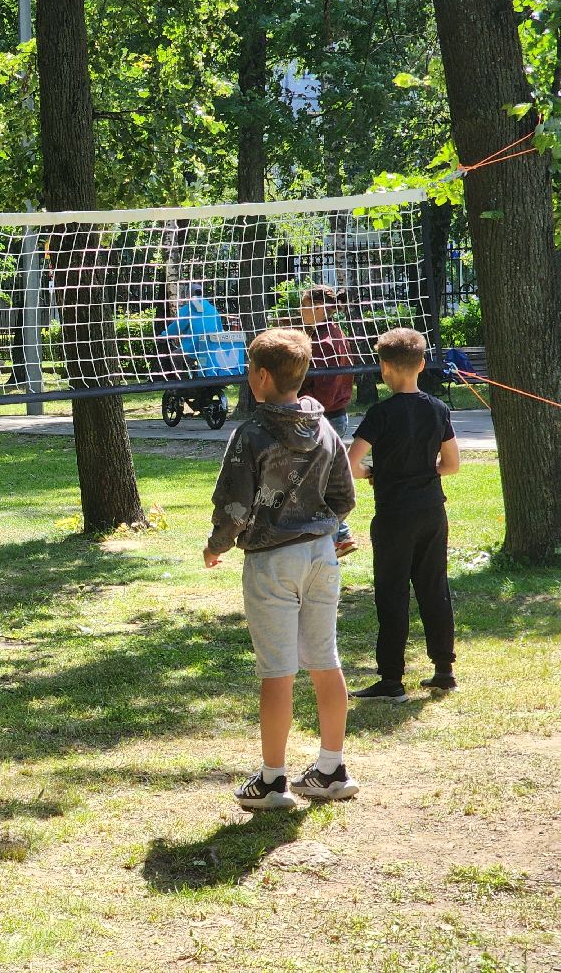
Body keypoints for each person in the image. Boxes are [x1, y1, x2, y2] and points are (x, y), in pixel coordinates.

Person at [204, 328, 358, 808]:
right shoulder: (325, 426)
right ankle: (332, 769)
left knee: (277, 672)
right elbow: (345, 496)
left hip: (272, 562)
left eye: (249, 368)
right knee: (325, 660)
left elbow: (234, 504)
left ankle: (273, 781)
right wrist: (327, 526)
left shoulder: (251, 433)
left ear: (262, 376)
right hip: (321, 557)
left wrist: (217, 544)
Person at [347, 327, 461, 702]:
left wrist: (374, 474)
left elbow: (352, 462)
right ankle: (444, 669)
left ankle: (392, 679)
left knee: (392, 592)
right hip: (431, 511)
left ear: (384, 369)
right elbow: (451, 465)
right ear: (422, 364)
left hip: (394, 515)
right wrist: (423, 472)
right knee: (433, 586)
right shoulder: (438, 408)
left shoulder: (381, 413)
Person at [299, 285, 358, 557]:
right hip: (333, 415)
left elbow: (326, 388)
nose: (301, 310)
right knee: (321, 480)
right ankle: (340, 535)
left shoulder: (323, 342)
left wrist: (304, 408)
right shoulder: (330, 332)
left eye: (304, 304)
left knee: (319, 483)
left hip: (325, 418)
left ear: (319, 307)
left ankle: (338, 537)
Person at [163, 284, 245, 377]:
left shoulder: (188, 308)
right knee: (202, 363)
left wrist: (164, 335)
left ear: (189, 295)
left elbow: (176, 327)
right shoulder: (212, 309)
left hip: (195, 349)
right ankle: (200, 382)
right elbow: (219, 329)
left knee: (175, 357)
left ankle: (181, 386)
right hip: (211, 348)